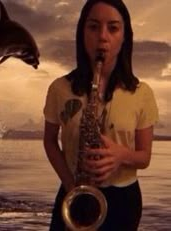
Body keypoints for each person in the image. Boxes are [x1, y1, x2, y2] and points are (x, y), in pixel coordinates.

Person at [43, 0, 159, 230]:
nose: (102, 37)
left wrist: (120, 155)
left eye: (113, 28)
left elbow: (144, 157)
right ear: (82, 33)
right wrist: (71, 186)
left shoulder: (142, 93)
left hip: (122, 200)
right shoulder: (59, 88)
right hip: (73, 192)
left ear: (124, 36)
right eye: (94, 27)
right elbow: (49, 141)